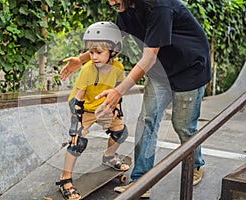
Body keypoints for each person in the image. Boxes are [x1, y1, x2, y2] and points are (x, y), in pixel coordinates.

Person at [60, 0, 212, 198]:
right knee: (147, 121)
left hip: (190, 69)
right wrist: (80, 60)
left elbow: (148, 57)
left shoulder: (160, 7)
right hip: (160, 70)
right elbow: (109, 42)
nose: (112, 2)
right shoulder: (125, 8)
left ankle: (196, 164)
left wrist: (119, 91)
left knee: (183, 125)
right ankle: (141, 181)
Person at [56, 21, 130, 200]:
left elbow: (118, 91)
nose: (93, 57)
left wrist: (116, 108)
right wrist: (76, 123)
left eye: (98, 52)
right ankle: (65, 179)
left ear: (113, 51)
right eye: (90, 52)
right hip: (83, 108)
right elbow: (78, 97)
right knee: (77, 141)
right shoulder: (87, 69)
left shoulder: (119, 68)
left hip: (103, 107)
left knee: (121, 132)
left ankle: (109, 157)